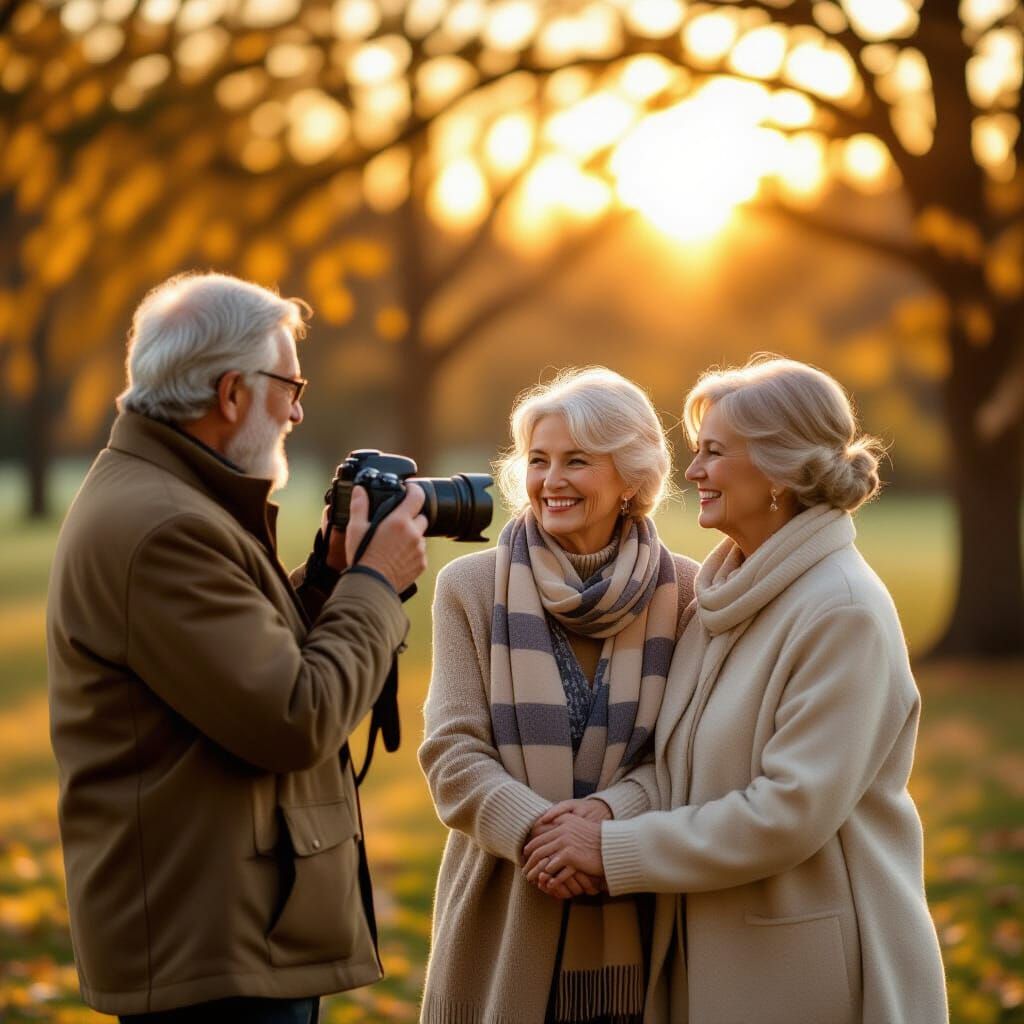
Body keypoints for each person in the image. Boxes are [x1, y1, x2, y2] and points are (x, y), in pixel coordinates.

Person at [47, 272, 428, 1024]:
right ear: (230, 394)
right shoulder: (167, 528)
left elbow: (242, 666)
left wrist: (328, 579)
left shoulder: (167, 497)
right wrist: (377, 582)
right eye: (290, 385)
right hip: (212, 953)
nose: (298, 409)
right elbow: (295, 717)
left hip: (223, 929)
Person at [523, 357, 949, 1024]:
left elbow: (787, 814)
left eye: (715, 452)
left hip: (813, 970)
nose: (692, 471)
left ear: (780, 471)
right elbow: (682, 767)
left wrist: (609, 852)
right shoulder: (721, 599)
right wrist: (603, 813)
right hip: (711, 952)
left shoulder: (842, 610)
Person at [418, 367, 699, 1024]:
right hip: (503, 907)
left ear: (631, 478)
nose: (550, 480)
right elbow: (453, 754)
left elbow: (682, 757)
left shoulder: (689, 594)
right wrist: (542, 838)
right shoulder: (469, 587)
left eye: (577, 460)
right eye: (539, 460)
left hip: (635, 897)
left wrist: (601, 825)